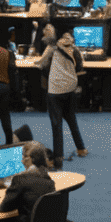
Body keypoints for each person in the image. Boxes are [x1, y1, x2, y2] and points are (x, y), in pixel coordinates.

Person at [38, 31, 87, 164]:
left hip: (55, 90)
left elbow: (42, 66)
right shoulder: (75, 50)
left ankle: (58, 157)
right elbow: (80, 68)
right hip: (70, 88)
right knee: (72, 119)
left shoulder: (52, 49)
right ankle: (81, 148)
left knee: (56, 125)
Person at [0, 143, 54, 222]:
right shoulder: (48, 180)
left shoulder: (20, 180)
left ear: (33, 159)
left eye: (25, 156)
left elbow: (3, 208)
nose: (22, 160)